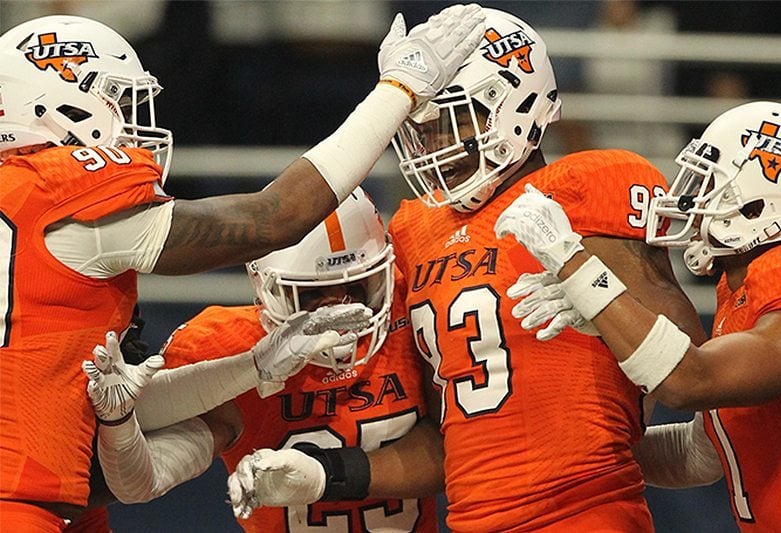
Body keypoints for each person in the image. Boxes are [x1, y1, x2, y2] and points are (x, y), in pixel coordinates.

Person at [0, 7, 486, 531]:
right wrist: (399, 90)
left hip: (55, 493)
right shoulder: (59, 196)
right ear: (57, 107)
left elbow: (84, 410)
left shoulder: (24, 204)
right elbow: (275, 218)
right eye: (116, 100)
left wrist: (252, 368)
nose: (131, 123)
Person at [225, 6, 708, 531]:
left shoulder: (589, 186)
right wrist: (327, 474)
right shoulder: (414, 229)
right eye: (423, 129)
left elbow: (690, 368)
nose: (434, 145)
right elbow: (449, 436)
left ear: (512, 106)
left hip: (587, 511)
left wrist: (599, 296)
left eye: (451, 121)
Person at [494, 100, 781, 532]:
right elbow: (702, 452)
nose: (690, 202)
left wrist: (575, 264)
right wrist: (568, 454)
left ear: (760, 202)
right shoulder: (739, 288)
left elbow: (691, 379)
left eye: (710, 185)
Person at [76, 188, 439, 532]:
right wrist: (120, 421)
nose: (339, 306)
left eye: (359, 285)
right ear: (266, 290)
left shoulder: (414, 310)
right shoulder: (225, 344)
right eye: (310, 294)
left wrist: (325, 475)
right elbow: (137, 482)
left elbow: (455, 449)